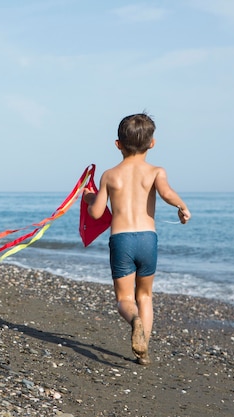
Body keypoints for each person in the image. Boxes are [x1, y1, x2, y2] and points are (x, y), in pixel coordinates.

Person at [83, 113, 191, 365]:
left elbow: (96, 212)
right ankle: (143, 353)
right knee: (145, 296)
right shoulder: (156, 172)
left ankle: (134, 321)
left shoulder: (110, 176)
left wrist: (90, 198)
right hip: (147, 240)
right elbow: (166, 193)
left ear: (117, 144)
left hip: (121, 240)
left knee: (124, 299)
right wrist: (182, 206)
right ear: (152, 143)